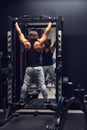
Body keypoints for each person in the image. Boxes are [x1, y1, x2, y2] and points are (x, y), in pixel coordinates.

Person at [14, 20, 53, 105]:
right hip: (38, 68)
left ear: (29, 35)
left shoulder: (26, 43)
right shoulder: (39, 44)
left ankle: (21, 99)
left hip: (29, 68)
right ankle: (46, 100)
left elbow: (19, 33)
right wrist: (50, 22)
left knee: (25, 84)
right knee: (42, 84)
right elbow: (46, 32)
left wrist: (16, 23)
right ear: (36, 36)